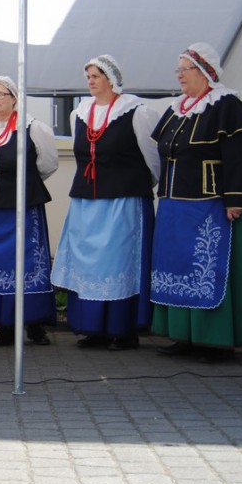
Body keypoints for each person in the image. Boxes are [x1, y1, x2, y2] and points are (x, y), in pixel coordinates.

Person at [149, 43, 242, 363]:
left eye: (183, 69)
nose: (178, 75)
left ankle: (214, 339)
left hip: (211, 205)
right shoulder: (178, 108)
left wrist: (237, 198)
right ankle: (185, 335)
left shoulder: (226, 105)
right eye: (178, 69)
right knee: (179, 269)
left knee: (206, 270)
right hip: (176, 205)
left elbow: (240, 156)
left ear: (203, 72)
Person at [51, 56, 161, 351]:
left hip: (123, 202)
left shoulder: (136, 112)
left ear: (111, 78)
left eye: (96, 75)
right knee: (89, 264)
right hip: (88, 202)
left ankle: (123, 330)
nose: (90, 80)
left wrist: (136, 185)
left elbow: (153, 158)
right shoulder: (80, 113)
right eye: (87, 75)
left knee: (119, 262)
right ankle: (93, 327)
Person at [0, 75, 59, 346]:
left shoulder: (33, 127)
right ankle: (4, 325)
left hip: (22, 208)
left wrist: (21, 184)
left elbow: (48, 164)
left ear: (14, 98)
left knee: (26, 263)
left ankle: (34, 323)